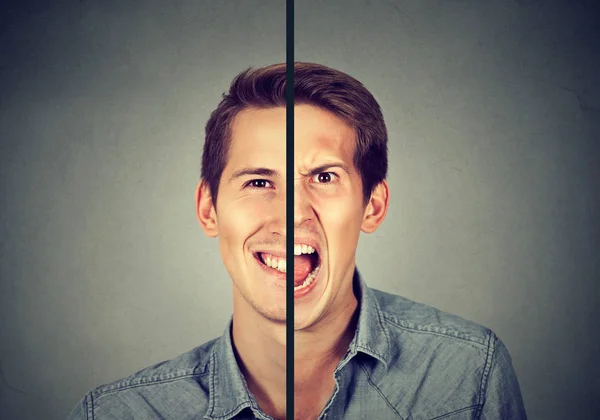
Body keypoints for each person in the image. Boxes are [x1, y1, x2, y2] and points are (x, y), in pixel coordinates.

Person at [67, 63, 527, 420]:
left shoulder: (469, 373)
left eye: (324, 177)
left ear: (373, 205)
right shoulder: (117, 413)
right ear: (209, 208)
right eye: (258, 182)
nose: (290, 216)